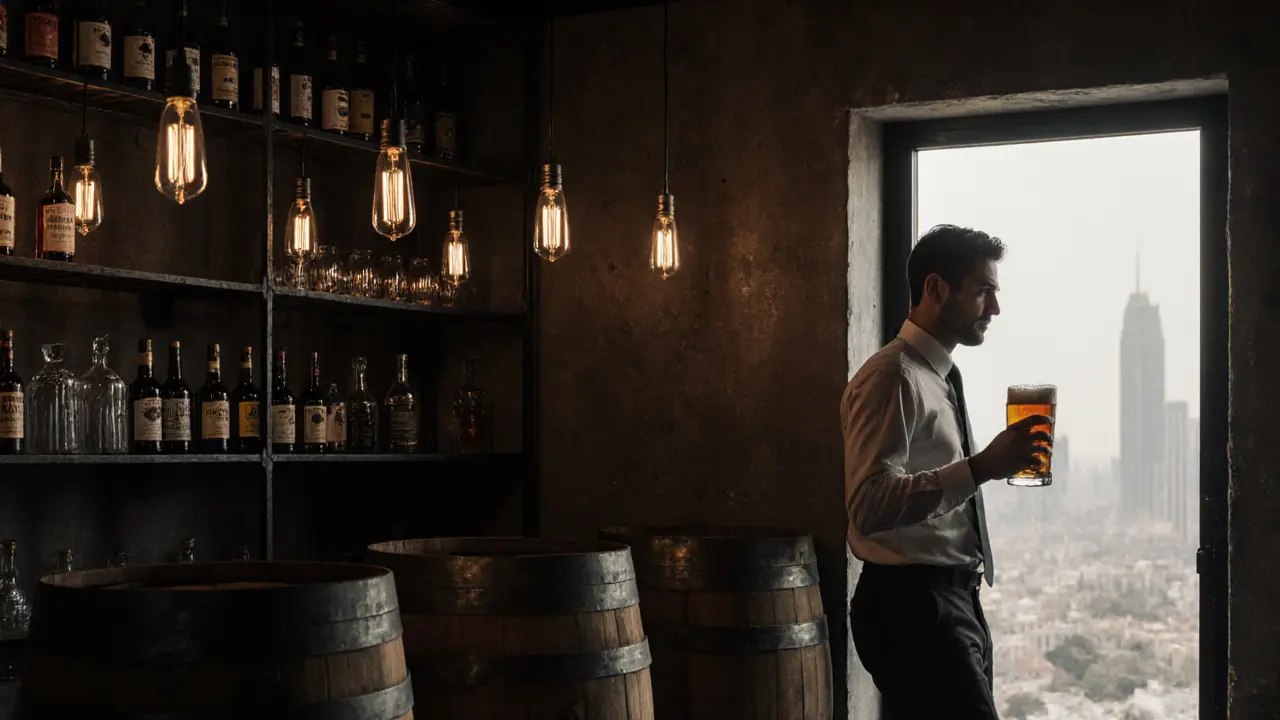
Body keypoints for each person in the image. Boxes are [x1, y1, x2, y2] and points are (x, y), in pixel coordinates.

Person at [842, 224, 1052, 719]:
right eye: (983, 291)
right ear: (936, 290)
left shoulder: (935, 378)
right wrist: (981, 468)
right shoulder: (892, 377)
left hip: (949, 601)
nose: (995, 309)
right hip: (912, 607)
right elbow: (868, 505)